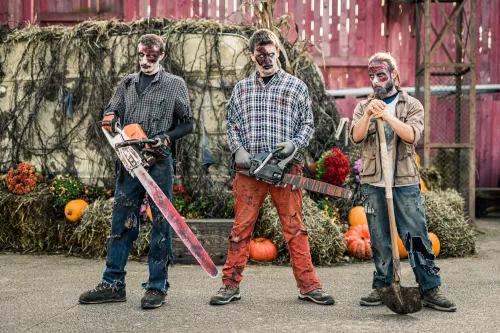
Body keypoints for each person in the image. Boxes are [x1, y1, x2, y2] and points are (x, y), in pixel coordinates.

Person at [209, 29, 334, 306]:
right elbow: (232, 124)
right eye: (260, 53)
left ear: (278, 50)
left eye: (271, 51)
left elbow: (307, 125)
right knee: (241, 228)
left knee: (294, 228)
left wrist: (294, 146)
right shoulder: (242, 89)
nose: (267, 57)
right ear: (253, 55)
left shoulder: (296, 86)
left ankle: (309, 285)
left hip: (286, 168)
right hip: (250, 170)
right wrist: (238, 149)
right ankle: (230, 284)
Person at [79, 34, 193, 310]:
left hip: (159, 162)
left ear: (161, 55)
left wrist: (166, 137)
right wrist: (111, 118)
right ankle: (112, 284)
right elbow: (111, 112)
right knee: (121, 221)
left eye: (151, 56)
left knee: (160, 223)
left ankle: (157, 287)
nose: (145, 61)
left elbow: (187, 124)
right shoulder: (126, 84)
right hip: (130, 161)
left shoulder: (174, 85)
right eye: (141, 56)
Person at [350, 52, 456, 312]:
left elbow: (411, 136)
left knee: (417, 235)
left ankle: (430, 288)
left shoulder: (412, 105)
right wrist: (368, 116)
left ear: (394, 75)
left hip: (405, 181)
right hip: (374, 182)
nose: (375, 80)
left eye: (381, 75)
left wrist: (387, 116)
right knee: (378, 237)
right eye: (372, 76)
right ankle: (384, 286)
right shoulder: (364, 106)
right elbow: (355, 137)